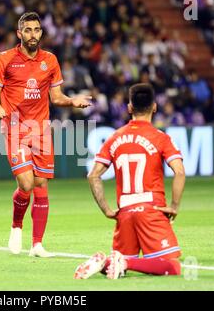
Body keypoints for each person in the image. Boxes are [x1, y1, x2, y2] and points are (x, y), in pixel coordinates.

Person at [0, 12, 92, 257]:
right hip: (14, 126)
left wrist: (72, 101)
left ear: (41, 33)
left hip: (41, 128)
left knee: (41, 183)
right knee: (25, 183)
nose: (32, 34)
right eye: (28, 30)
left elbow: (55, 97)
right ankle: (16, 226)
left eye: (36, 30)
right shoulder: (4, 59)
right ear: (19, 33)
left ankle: (37, 245)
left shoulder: (51, 60)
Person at [74, 83, 186, 279]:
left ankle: (105, 262)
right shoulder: (161, 138)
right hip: (152, 209)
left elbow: (93, 175)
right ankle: (124, 261)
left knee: (119, 271)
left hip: (125, 212)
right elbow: (179, 172)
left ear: (129, 108)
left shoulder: (114, 137)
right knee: (171, 266)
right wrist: (174, 206)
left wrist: (107, 210)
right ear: (154, 107)